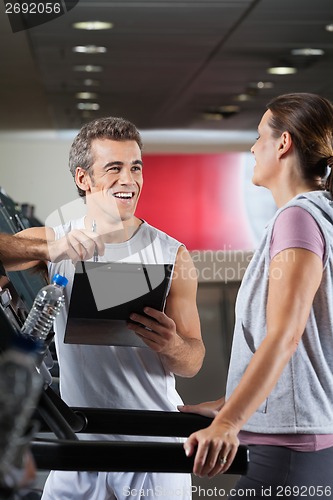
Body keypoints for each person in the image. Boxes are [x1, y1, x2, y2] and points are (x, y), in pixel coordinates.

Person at [1, 116, 205, 499]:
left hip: (151, 448)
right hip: (77, 444)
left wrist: (172, 344)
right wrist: (48, 250)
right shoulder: (54, 241)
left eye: (135, 167)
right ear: (83, 179)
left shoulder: (172, 254)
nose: (129, 180)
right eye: (114, 168)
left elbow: (193, 361)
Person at [180, 93, 333, 498]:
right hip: (303, 441)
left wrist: (229, 422)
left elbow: (285, 335)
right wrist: (227, 402)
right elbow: (308, 348)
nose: (252, 147)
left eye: (259, 136)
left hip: (291, 450)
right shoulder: (316, 216)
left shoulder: (298, 219)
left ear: (283, 144)